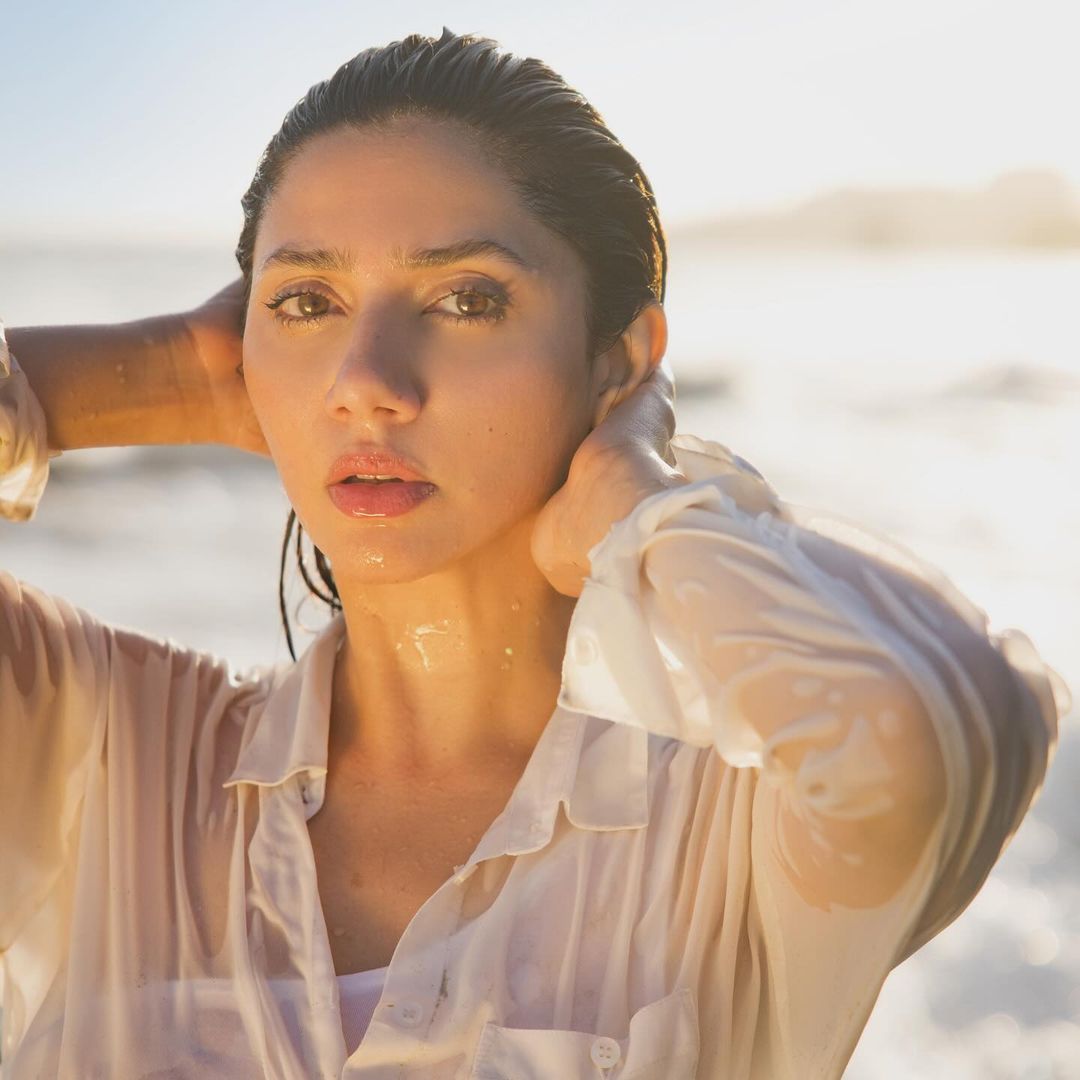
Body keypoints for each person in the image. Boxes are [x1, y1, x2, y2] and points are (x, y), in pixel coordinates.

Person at [0, 27, 1069, 1080]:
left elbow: (931, 721)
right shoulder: (93, 744)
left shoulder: (729, 830)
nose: (366, 377)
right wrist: (155, 377)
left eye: (466, 299)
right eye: (306, 302)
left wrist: (633, 514)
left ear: (619, 362)